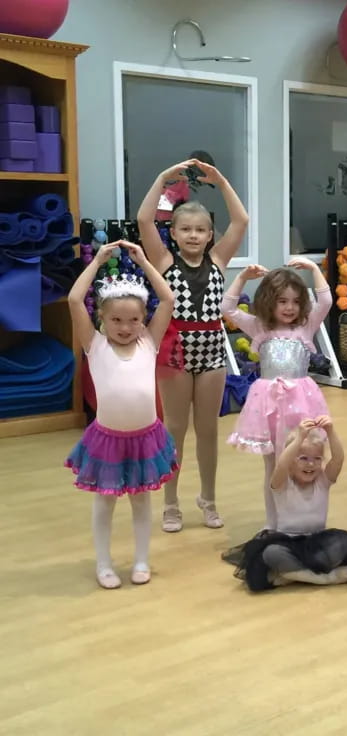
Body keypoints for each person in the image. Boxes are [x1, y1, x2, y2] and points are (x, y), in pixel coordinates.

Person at [138, 158, 249, 532]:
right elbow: (143, 220)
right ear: (174, 233)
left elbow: (242, 221)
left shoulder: (218, 262)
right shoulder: (165, 261)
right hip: (176, 352)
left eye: (201, 229)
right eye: (185, 229)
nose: (193, 235)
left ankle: (208, 497)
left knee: (208, 430)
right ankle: (170, 503)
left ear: (210, 234)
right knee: (174, 428)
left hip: (213, 351)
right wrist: (162, 178)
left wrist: (219, 180)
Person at [65, 241, 176, 589]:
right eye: (116, 319)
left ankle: (142, 560)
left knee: (141, 500)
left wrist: (143, 261)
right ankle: (104, 564)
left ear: (144, 321)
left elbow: (169, 300)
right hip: (108, 438)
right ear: (102, 318)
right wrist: (97, 261)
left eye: (133, 320)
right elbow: (72, 300)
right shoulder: (94, 343)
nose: (125, 327)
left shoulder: (148, 342)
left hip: (145, 437)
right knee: (105, 502)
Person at [222, 258, 331, 530]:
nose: (290, 307)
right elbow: (227, 307)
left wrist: (315, 270)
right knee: (273, 467)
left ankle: (297, 519)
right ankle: (274, 524)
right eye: (282, 301)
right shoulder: (260, 327)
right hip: (268, 407)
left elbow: (326, 302)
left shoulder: (305, 326)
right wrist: (243, 277)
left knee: (300, 461)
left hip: (301, 405)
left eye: (295, 301)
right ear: (269, 301)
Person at [221, 416, 347, 592]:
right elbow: (281, 464)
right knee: (271, 553)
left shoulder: (322, 481)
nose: (311, 464)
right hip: (288, 542)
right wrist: (299, 438)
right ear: (291, 461)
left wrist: (330, 431)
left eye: (317, 459)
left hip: (316, 542)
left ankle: (290, 575)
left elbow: (338, 459)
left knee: (344, 543)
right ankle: (321, 578)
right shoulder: (282, 484)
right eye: (303, 458)